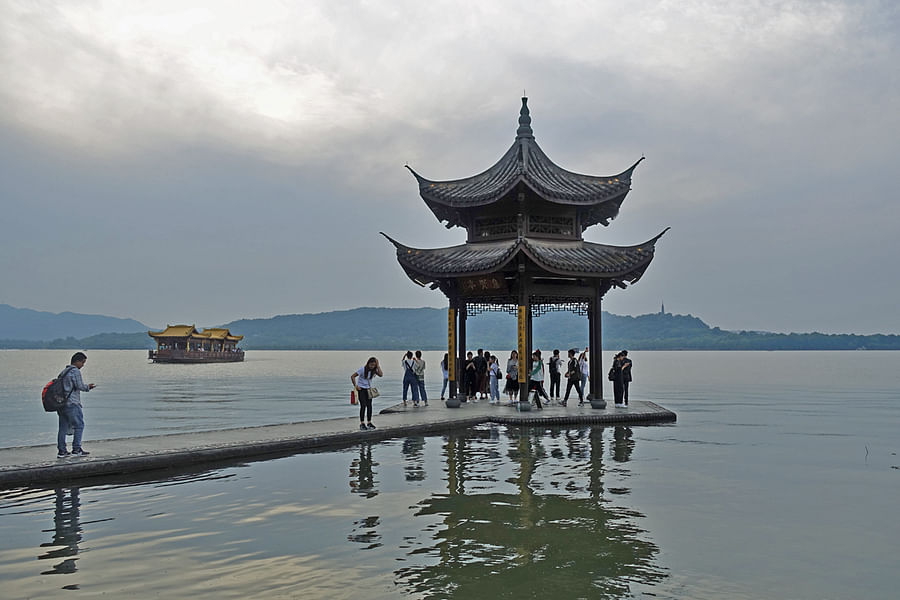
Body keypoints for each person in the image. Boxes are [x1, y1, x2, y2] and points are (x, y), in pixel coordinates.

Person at [57, 352, 96, 458]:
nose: (83, 365)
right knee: (79, 425)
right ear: (77, 361)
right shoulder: (75, 371)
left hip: (61, 404)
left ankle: (62, 451)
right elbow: (79, 386)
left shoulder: (64, 371)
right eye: (83, 362)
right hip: (72, 403)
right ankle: (76, 449)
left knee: (63, 428)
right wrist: (88, 387)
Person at [351, 356, 383, 429]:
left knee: (369, 406)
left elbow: (381, 375)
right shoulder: (362, 369)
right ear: (368, 363)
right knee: (363, 406)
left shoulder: (373, 370)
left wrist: (378, 366)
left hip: (368, 390)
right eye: (371, 365)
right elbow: (353, 376)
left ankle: (369, 422)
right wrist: (356, 386)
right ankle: (362, 423)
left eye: (374, 365)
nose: (372, 366)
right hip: (361, 389)